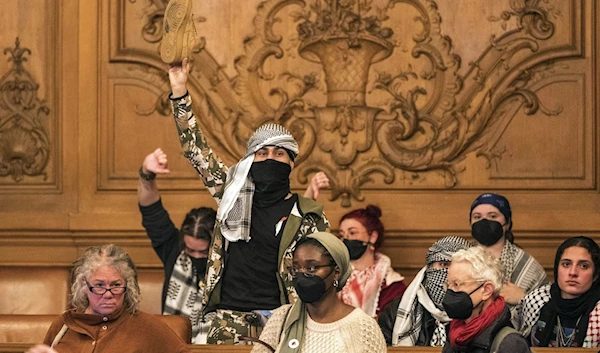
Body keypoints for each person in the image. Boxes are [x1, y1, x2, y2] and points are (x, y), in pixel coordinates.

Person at [167, 58, 329, 344]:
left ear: (292, 163)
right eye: (262, 153)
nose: (269, 159)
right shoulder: (230, 194)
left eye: (279, 154)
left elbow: (325, 271)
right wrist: (180, 91)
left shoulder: (307, 215)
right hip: (229, 320)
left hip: (284, 320)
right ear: (249, 160)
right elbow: (195, 149)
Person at [26, 244, 191, 353]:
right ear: (84, 285)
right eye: (99, 285)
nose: (108, 293)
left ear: (128, 286)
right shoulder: (63, 326)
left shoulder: (148, 328)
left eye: (116, 285)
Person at [250, 231, 386, 353]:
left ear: (336, 272)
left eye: (311, 268)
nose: (301, 275)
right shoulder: (282, 318)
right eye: (296, 269)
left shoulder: (363, 328)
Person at [138, 147, 217, 343]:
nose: (196, 257)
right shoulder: (174, 249)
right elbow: (151, 210)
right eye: (190, 250)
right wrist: (147, 175)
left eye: (203, 252)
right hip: (172, 344)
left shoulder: (233, 257)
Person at [378, 236, 471, 346]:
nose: (449, 273)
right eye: (444, 264)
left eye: (457, 266)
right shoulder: (395, 310)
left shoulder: (477, 311)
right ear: (429, 268)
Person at [441, 246, 529, 353]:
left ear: (486, 290)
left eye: (456, 284)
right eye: (448, 284)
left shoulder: (510, 345)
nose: (450, 291)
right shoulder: (455, 334)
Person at [515, 236, 600, 347]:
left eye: (584, 266)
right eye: (566, 264)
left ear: (595, 274)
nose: (573, 272)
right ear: (557, 268)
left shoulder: (598, 313)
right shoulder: (535, 301)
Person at [469, 193, 546, 306]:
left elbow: (544, 310)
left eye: (493, 216)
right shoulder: (457, 258)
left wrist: (523, 298)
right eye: (477, 217)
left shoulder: (527, 265)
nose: (484, 221)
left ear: (507, 223)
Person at [336, 204, 406, 317]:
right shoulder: (333, 276)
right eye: (341, 234)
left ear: (373, 237)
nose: (346, 239)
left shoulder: (391, 285)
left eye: (352, 233)